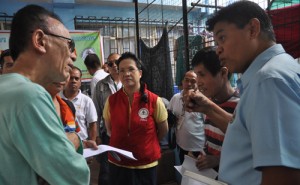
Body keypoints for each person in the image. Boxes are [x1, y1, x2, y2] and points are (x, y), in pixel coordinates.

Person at [203, 1, 299, 184]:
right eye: (216, 42)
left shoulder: (269, 80)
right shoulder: (281, 68)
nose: (218, 50)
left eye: (222, 38)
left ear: (253, 29)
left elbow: (283, 176)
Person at [0, 4, 90, 185]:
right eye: (68, 44)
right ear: (40, 41)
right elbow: (75, 176)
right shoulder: (30, 96)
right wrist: (73, 142)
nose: (73, 56)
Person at [102, 52, 168, 185]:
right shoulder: (111, 100)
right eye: (122, 71)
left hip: (145, 165)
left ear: (140, 73)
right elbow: (109, 129)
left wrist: (145, 145)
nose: (126, 74)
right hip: (118, 163)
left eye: (131, 69)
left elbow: (163, 130)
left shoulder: (154, 100)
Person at [189, 47, 239, 172]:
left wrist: (218, 160)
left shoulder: (240, 105)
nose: (198, 82)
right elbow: (211, 143)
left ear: (223, 73)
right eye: (197, 76)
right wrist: (200, 154)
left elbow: (247, 146)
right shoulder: (208, 102)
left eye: (202, 75)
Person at [93, 52, 122, 185]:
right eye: (111, 63)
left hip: (127, 135)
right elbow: (96, 113)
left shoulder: (129, 82)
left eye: (117, 62)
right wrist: (97, 136)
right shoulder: (101, 86)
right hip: (108, 135)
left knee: (125, 169)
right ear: (107, 67)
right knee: (106, 171)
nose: (114, 65)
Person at [168, 70, 205, 164]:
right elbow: (169, 114)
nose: (189, 84)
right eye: (186, 80)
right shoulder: (175, 98)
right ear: (182, 82)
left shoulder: (202, 101)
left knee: (199, 176)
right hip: (181, 145)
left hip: (199, 147)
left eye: (193, 81)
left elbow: (208, 125)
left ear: (198, 83)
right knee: (184, 172)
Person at [60, 66, 98, 141]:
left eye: (76, 78)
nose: (73, 81)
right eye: (70, 78)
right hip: (62, 143)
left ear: (80, 82)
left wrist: (92, 142)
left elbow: (92, 124)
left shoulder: (87, 101)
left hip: (82, 143)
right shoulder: (56, 98)